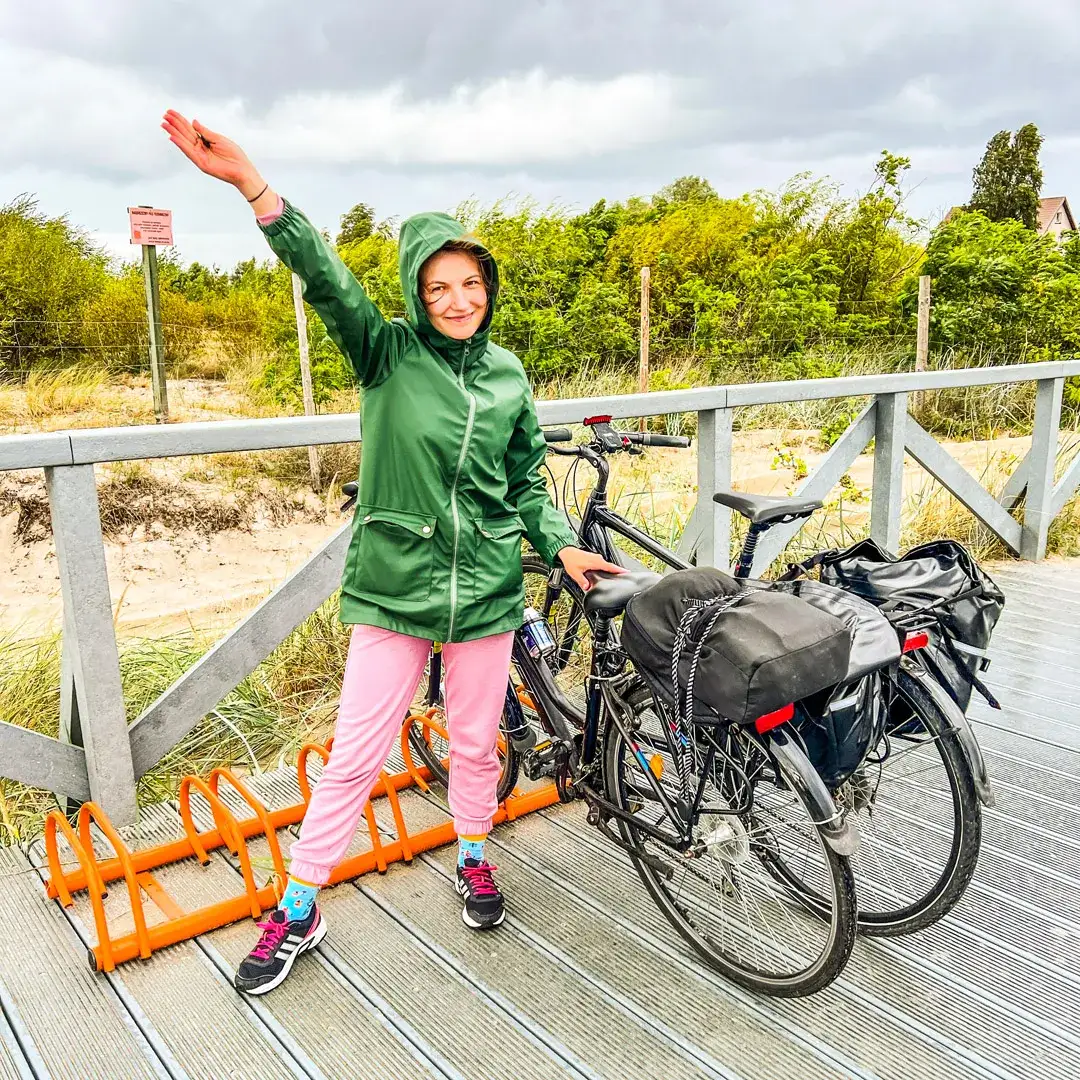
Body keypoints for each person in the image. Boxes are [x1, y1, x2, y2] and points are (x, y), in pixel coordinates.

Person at [161, 110, 624, 995]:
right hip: (395, 588)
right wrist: (255, 187)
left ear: (489, 289)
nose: (459, 299)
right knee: (355, 756)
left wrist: (560, 547)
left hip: (486, 586)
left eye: (472, 284)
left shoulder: (508, 374)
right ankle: (299, 908)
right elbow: (325, 277)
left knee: (477, 743)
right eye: (440, 285)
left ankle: (475, 856)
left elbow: (525, 479)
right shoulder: (386, 354)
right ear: (417, 290)